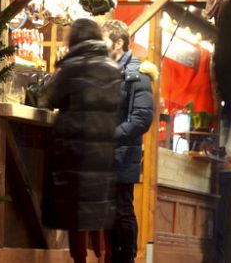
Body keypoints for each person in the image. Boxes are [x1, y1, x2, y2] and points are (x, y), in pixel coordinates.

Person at [38, 18, 122, 263]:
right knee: (95, 207)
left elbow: (47, 99)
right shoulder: (113, 68)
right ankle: (102, 255)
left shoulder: (72, 68)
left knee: (76, 213)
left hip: (74, 149)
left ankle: (80, 260)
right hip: (102, 150)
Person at [102, 19, 154, 263]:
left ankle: (127, 258)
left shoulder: (136, 72)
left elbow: (142, 119)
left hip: (121, 153)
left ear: (118, 42)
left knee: (122, 208)